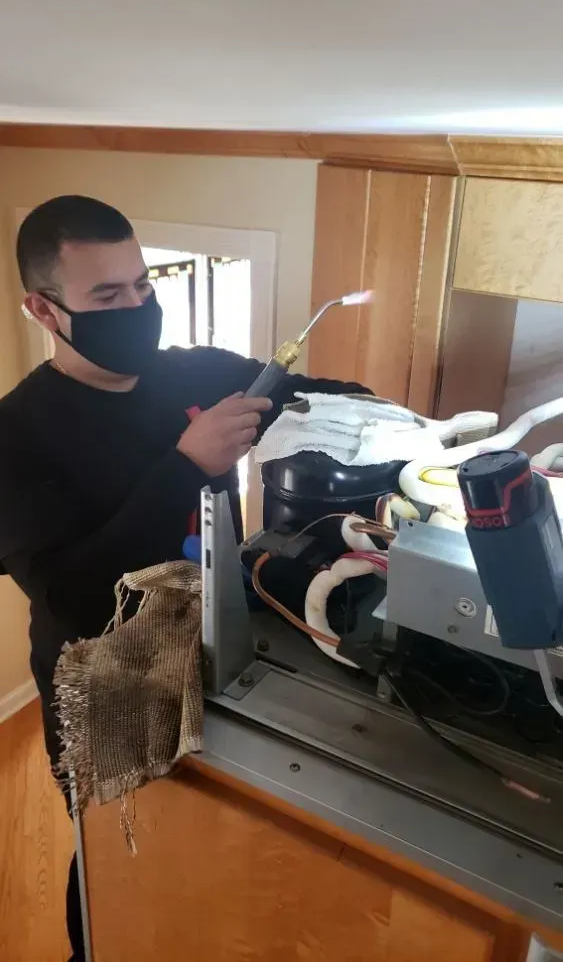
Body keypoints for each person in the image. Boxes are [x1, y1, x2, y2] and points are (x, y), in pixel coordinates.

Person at [0, 195, 367, 961]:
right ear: (43, 309)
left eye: (142, 285)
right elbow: (73, 595)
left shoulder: (195, 372)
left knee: (201, 834)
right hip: (104, 681)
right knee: (113, 847)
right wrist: (187, 464)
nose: (136, 308)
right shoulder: (16, 434)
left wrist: (386, 420)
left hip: (215, 641)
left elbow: (316, 400)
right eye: (107, 295)